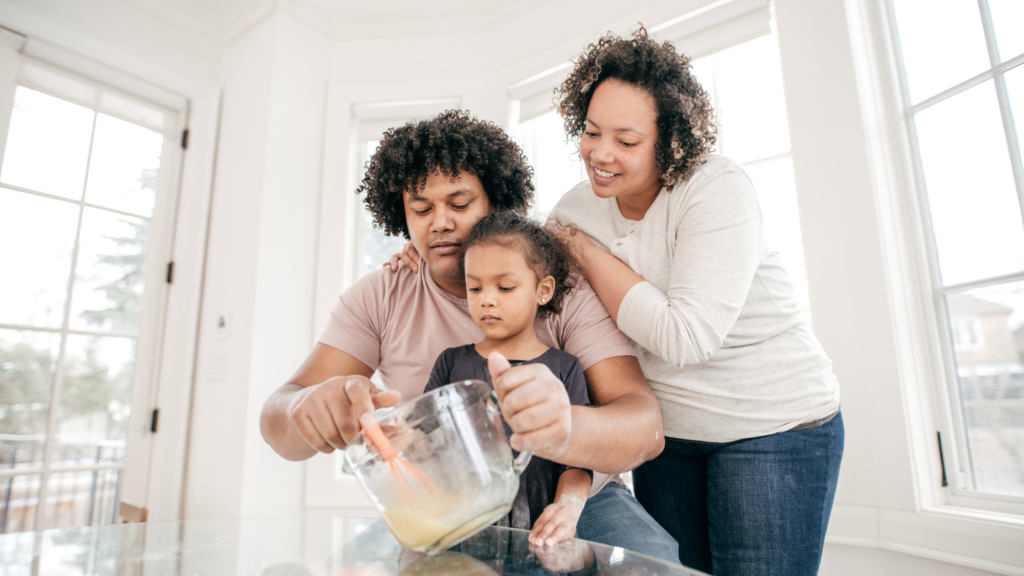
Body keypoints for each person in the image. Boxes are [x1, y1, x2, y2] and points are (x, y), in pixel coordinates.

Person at [259, 110, 678, 562]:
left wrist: (565, 429)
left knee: (651, 560)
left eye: (459, 205)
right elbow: (276, 420)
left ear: (496, 203)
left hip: (574, 493)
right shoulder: (379, 296)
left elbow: (645, 427)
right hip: (451, 500)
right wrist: (308, 407)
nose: (439, 222)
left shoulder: (559, 287)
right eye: (421, 209)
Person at [548, 28, 845, 575]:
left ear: (670, 139)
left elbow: (685, 337)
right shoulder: (573, 212)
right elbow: (526, 278)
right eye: (591, 132)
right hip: (669, 436)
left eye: (627, 141)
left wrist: (586, 254)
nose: (601, 154)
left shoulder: (715, 189)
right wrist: (420, 257)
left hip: (771, 425)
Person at [425, 211, 591, 547]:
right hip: (463, 536)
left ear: (542, 290)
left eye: (505, 287)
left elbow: (577, 461)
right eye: (475, 287)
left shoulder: (565, 368)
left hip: (540, 542)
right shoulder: (450, 363)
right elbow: (423, 441)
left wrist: (566, 508)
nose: (487, 298)